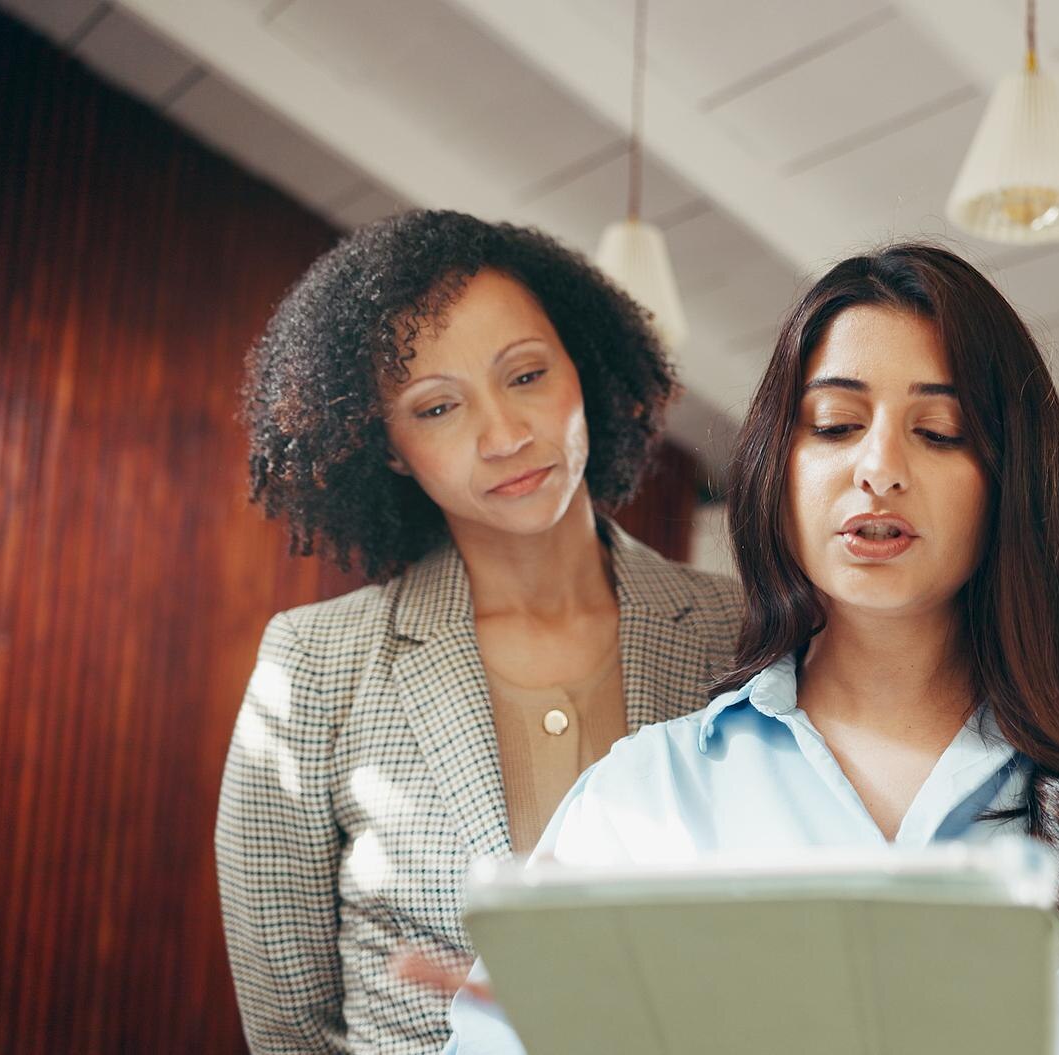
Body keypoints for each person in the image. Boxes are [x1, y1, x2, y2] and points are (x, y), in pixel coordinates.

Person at [443, 243, 1059, 1054]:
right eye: (835, 425)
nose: (878, 467)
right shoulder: (642, 798)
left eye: (939, 431)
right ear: (778, 468)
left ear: (1009, 480)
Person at [217, 210, 742, 1053]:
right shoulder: (313, 667)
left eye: (527, 374)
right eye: (435, 408)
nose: (504, 436)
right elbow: (288, 1027)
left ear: (583, 364)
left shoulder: (738, 633)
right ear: (386, 446)